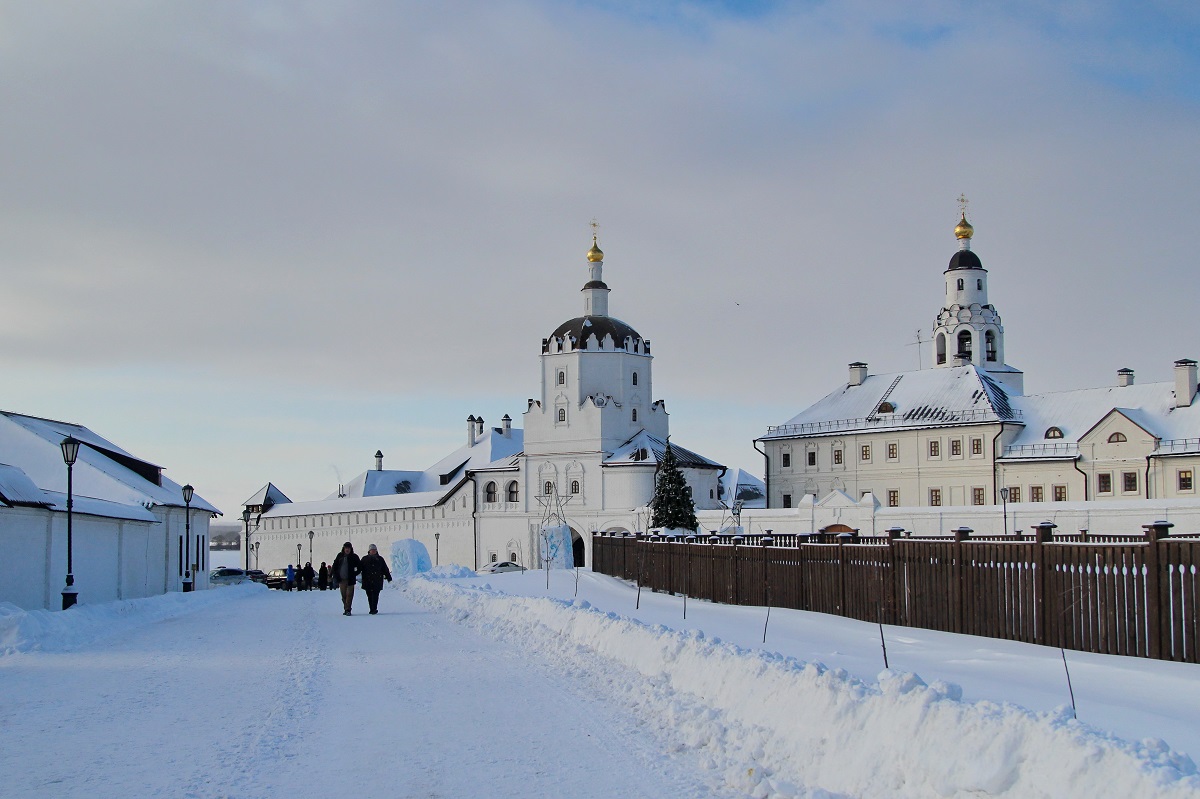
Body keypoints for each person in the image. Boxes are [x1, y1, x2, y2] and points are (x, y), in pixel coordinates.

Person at [359, 544, 393, 615]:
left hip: (377, 580)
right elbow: (360, 568)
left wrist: (388, 577)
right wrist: (354, 573)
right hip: (367, 580)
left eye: (374, 550)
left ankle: (374, 608)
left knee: (375, 595)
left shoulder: (380, 559)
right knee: (369, 595)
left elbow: (385, 569)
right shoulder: (364, 559)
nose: (373, 551)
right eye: (372, 550)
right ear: (369, 551)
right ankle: (371, 608)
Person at [331, 542, 360, 616]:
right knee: (344, 595)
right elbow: (335, 566)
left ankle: (348, 609)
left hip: (350, 579)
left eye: (348, 548)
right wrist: (333, 574)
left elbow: (360, 566)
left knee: (349, 595)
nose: (347, 550)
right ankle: (346, 608)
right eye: (346, 548)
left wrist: (355, 573)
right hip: (341, 579)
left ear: (351, 549)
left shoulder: (354, 557)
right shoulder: (340, 556)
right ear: (343, 549)